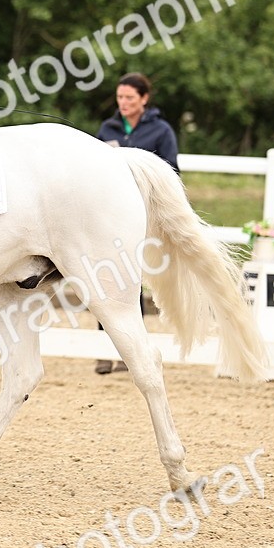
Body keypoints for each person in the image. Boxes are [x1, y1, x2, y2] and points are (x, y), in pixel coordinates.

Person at [93, 72, 180, 374]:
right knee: (102, 278)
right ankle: (105, 351)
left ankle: (131, 352)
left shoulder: (161, 131)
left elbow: (171, 172)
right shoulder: (108, 128)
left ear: (144, 98)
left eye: (130, 97)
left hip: (141, 213)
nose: (124, 103)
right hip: (108, 214)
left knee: (130, 281)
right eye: (120, 97)